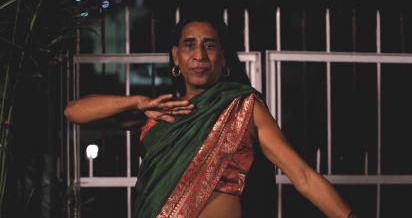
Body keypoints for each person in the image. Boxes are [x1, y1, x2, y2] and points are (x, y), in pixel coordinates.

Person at [64, 15, 356, 218]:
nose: (200, 55)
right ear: (176, 56)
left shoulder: (243, 107)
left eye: (210, 45)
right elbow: (74, 111)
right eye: (189, 45)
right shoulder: (158, 111)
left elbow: (302, 176)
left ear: (223, 58)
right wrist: (138, 102)